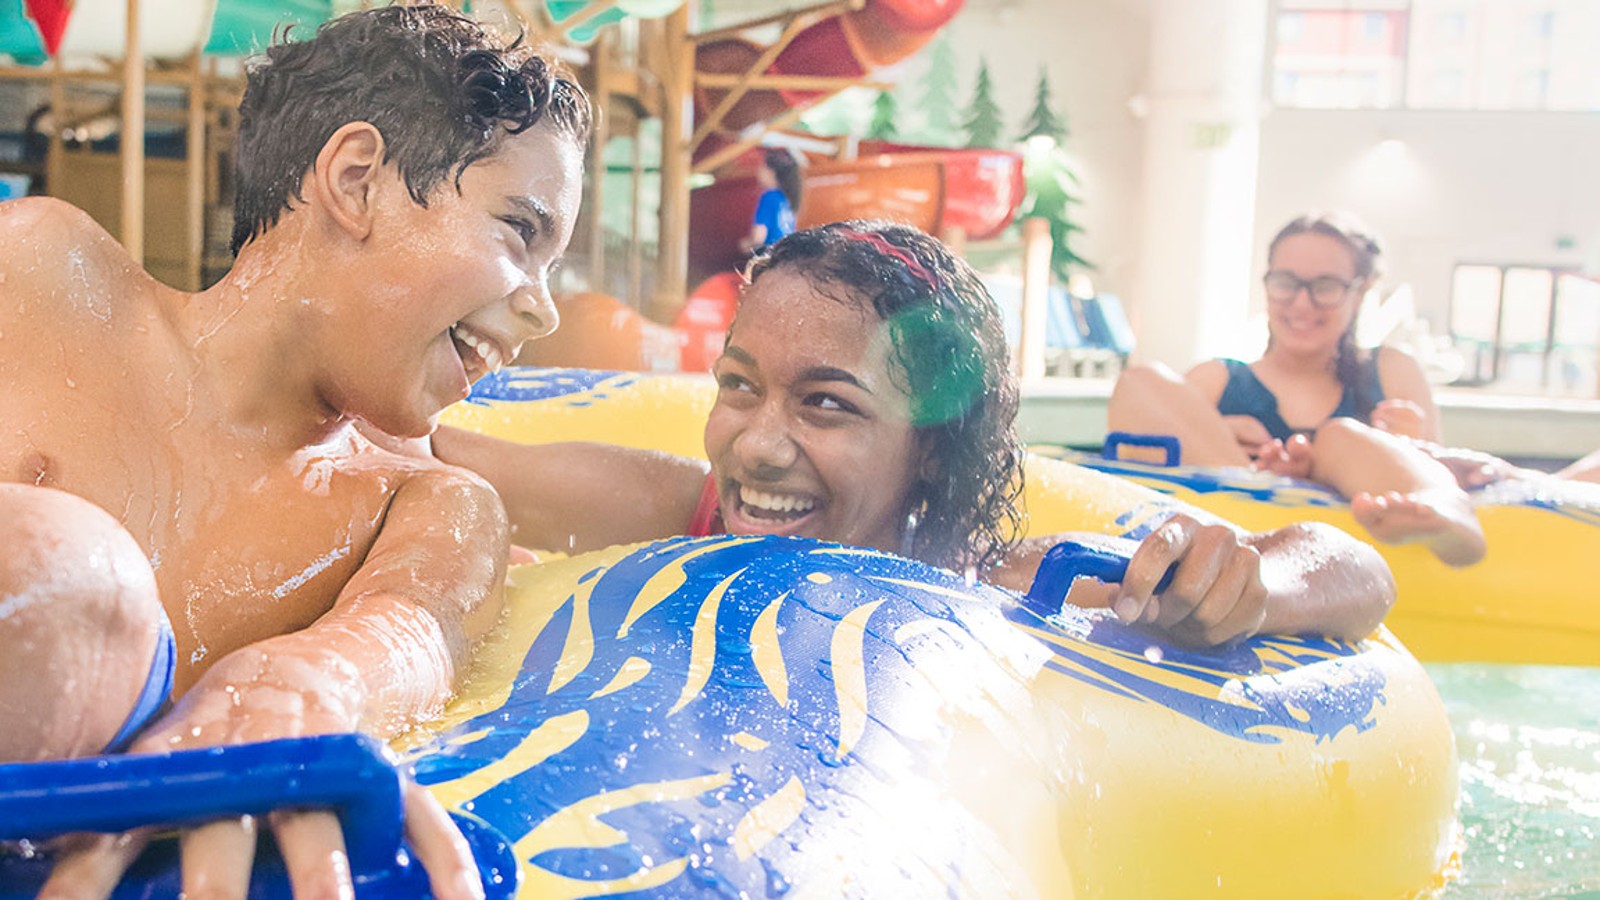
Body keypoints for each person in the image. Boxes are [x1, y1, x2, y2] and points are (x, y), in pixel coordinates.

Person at [0, 4, 587, 897]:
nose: (545, 310)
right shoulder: (42, 273)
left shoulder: (428, 505)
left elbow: (405, 631)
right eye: (520, 231)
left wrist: (294, 681)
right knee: (71, 578)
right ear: (356, 181)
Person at [433, 221, 1395, 648]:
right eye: (739, 386)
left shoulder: (993, 584)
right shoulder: (673, 509)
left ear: (929, 444)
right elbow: (438, 457)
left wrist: (1252, 584)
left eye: (827, 404)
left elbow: (1356, 570)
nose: (760, 444)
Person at [1108, 211, 1488, 567]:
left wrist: (1411, 447)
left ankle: (1446, 509)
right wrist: (1225, 444)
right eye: (1286, 283)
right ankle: (1255, 496)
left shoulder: (1390, 371)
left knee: (1338, 437)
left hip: (1358, 537)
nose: (1302, 303)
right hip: (1240, 523)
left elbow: (1452, 461)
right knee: (1142, 381)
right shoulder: (1217, 380)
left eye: (1325, 286)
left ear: (1360, 293)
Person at [739, 148, 801, 254]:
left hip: (770, 256)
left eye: (762, 167)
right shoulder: (786, 198)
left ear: (771, 172)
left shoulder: (768, 197)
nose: (758, 170)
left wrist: (745, 244)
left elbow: (758, 238)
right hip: (785, 254)